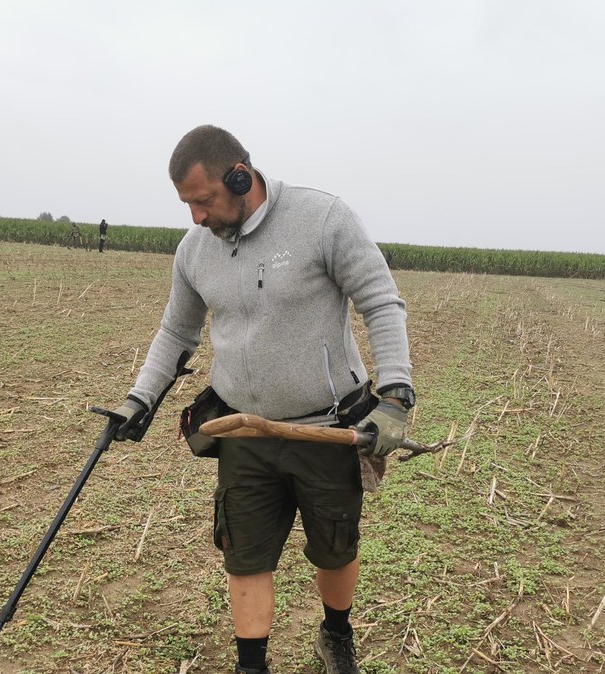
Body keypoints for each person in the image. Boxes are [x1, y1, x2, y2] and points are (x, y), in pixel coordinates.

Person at [109, 125, 414, 674]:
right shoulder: (194, 249)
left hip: (326, 428)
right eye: (187, 205)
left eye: (203, 201)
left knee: (335, 545)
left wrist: (394, 395)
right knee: (244, 555)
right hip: (242, 430)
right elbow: (176, 333)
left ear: (240, 176)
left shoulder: (322, 219)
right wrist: (139, 399)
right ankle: (252, 666)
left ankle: (335, 635)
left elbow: (381, 302)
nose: (196, 217)